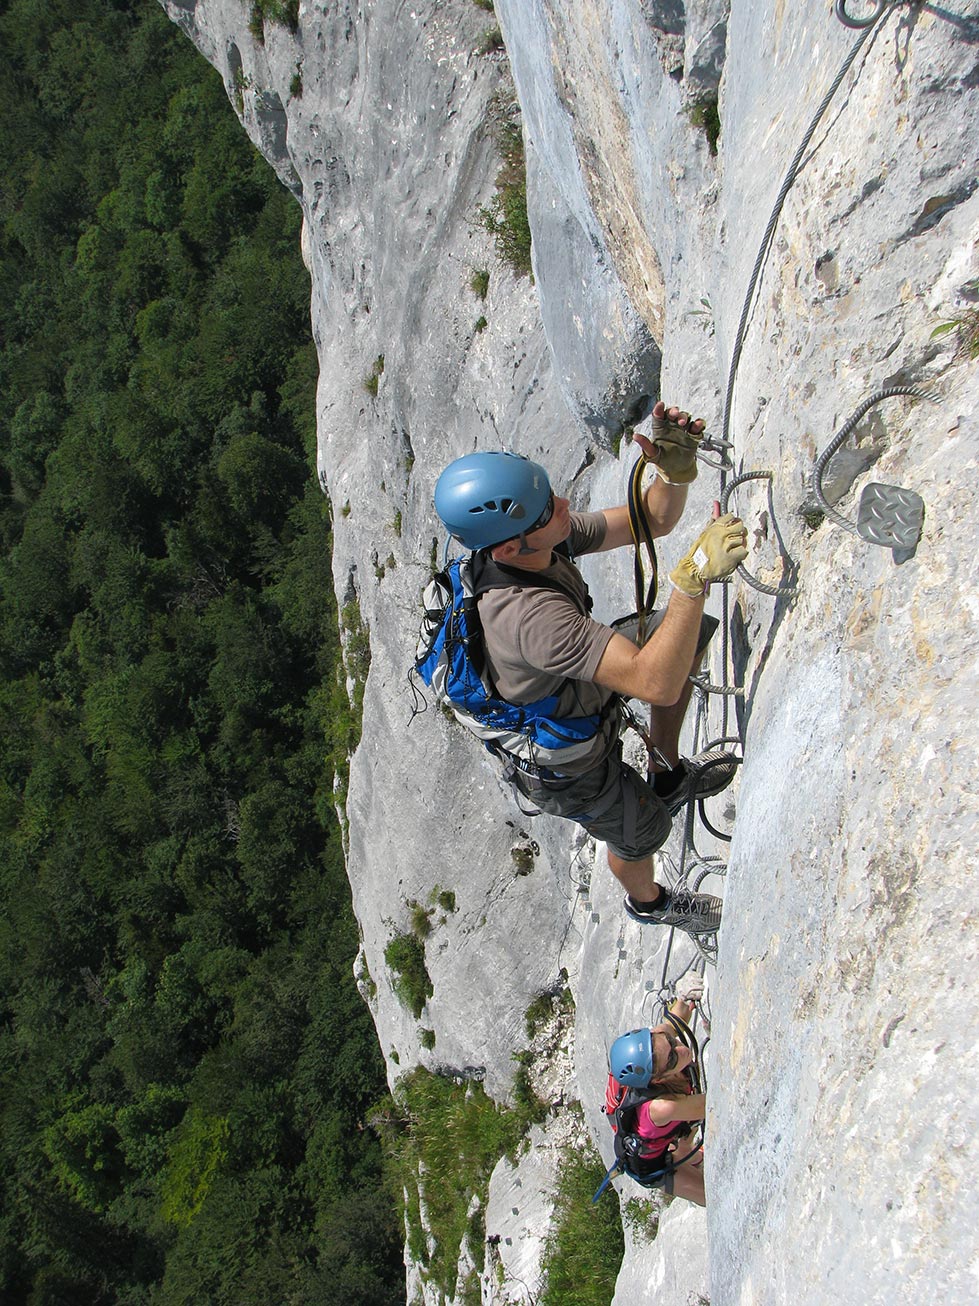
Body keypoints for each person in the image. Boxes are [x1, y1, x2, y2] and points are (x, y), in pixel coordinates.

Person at [432, 401, 748, 937]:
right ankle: (649, 903)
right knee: (644, 832)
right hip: (568, 762)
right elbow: (655, 681)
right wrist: (693, 576)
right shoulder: (530, 618)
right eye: (548, 507)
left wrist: (674, 471)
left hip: (572, 687)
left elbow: (652, 519)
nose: (564, 503)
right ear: (511, 543)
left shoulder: (534, 541)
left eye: (551, 495)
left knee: (684, 639)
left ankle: (666, 774)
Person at [607, 970, 707, 1207]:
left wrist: (683, 997)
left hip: (666, 1134)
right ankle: (683, 1154)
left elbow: (673, 1021)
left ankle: (685, 1151)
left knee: (688, 1151)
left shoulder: (654, 1051)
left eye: (671, 1042)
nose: (682, 1050)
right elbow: (713, 1104)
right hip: (651, 1165)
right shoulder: (661, 1107)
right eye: (672, 1059)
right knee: (713, 1197)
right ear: (657, 1081)